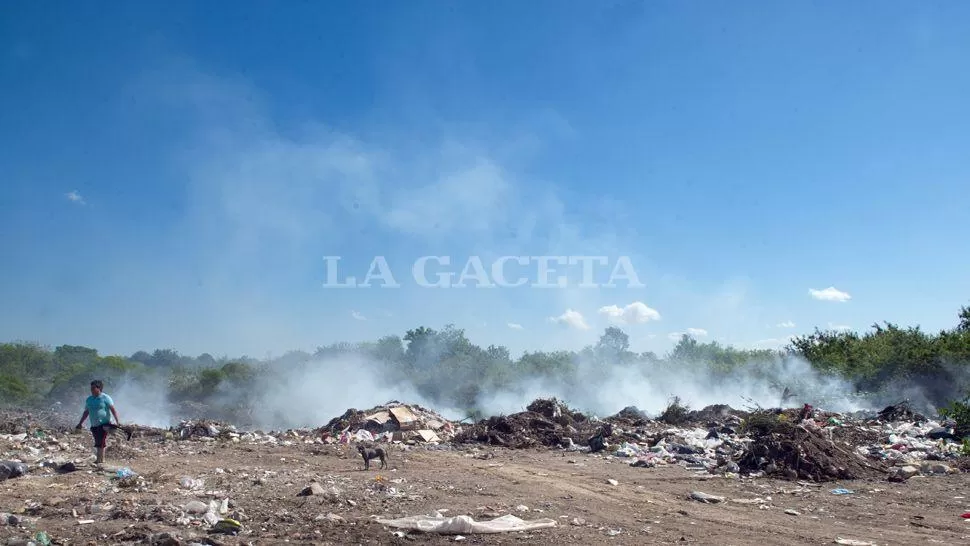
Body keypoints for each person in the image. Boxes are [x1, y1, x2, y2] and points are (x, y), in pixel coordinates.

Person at [75, 379, 130, 464]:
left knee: (101, 441)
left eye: (93, 388)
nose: (92, 390)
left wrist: (117, 421)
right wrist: (80, 423)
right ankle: (99, 460)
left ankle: (101, 461)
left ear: (99, 388)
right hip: (94, 425)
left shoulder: (105, 398)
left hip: (104, 424)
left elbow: (113, 410)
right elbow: (86, 412)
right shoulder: (89, 399)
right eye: (91, 388)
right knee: (97, 441)